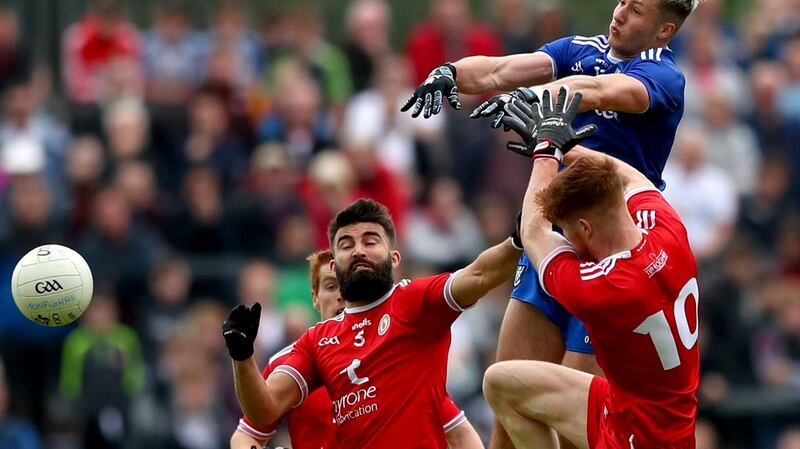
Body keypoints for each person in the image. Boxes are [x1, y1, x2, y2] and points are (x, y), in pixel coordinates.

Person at [402, 2, 698, 447]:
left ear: (664, 30)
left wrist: (535, 103)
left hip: (608, 256)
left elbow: (594, 90)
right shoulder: (579, 48)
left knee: (574, 426)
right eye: (621, 2)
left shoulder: (663, 76)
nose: (619, 13)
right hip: (552, 232)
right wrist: (451, 73)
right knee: (508, 402)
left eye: (636, 11)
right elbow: (502, 70)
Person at [484, 88, 699, 449]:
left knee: (502, 387)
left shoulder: (603, 287)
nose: (565, 238)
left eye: (567, 231)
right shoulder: (667, 229)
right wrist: (567, 148)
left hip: (635, 437)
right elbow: (629, 177)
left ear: (585, 228)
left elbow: (533, 231)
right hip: (645, 410)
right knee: (501, 382)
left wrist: (545, 153)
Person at [222, 199, 521, 448]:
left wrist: (519, 239)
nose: (359, 250)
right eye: (346, 244)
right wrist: (242, 356)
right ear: (334, 265)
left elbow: (479, 274)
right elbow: (261, 415)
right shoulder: (314, 342)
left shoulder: (414, 302)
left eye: (370, 240)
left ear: (394, 258)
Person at [229, 250, 485, 449]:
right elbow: (246, 436)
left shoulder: (399, 359)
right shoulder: (288, 364)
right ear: (315, 297)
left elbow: (461, 435)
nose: (341, 295)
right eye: (330, 286)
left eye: (346, 285)